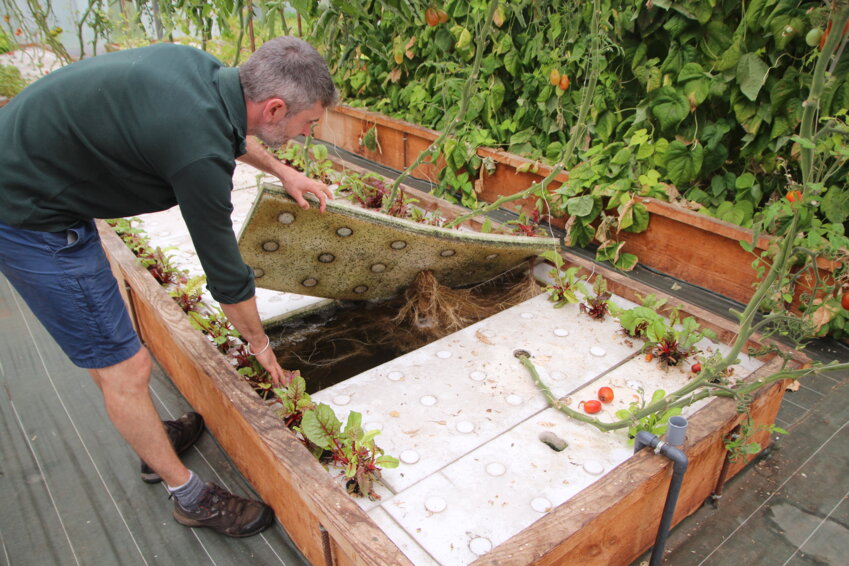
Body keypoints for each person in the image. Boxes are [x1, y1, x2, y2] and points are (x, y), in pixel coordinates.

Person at [0, 36, 338, 537]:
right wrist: (262, 348)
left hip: (41, 176)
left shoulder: (204, 73)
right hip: (29, 216)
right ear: (274, 107)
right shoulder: (197, 153)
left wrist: (282, 169)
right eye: (308, 124)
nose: (307, 133)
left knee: (110, 354)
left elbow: (229, 132)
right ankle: (189, 495)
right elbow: (226, 275)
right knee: (125, 367)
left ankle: (150, 439)